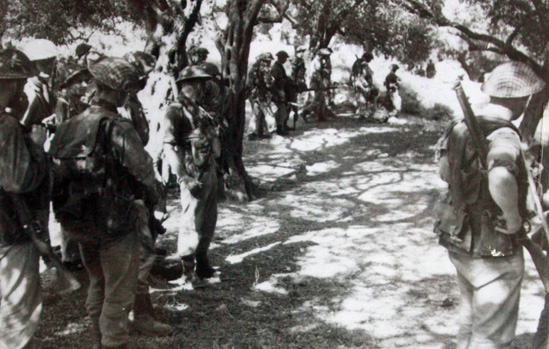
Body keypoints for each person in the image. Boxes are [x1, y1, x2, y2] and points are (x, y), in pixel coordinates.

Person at [49, 57, 163, 349]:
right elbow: (144, 171)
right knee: (119, 290)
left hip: (79, 221)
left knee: (97, 283)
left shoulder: (68, 125)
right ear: (120, 92)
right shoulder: (117, 126)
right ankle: (114, 342)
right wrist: (153, 199)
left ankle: (98, 340)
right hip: (115, 221)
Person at [435, 61, 546, 349]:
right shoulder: (505, 135)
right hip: (493, 249)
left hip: (460, 238)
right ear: (522, 100)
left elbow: (444, 171)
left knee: (470, 322)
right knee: (492, 337)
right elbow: (499, 176)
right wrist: (512, 217)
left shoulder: (459, 127)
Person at [0, 48, 49, 349]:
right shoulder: (5, 127)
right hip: (10, 228)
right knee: (16, 316)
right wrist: (38, 148)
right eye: (18, 83)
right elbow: (18, 180)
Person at [161, 66, 220, 287]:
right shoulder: (175, 111)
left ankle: (202, 261)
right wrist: (183, 177)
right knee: (191, 221)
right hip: (191, 171)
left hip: (208, 170)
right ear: (184, 85)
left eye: (201, 83)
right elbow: (168, 147)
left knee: (208, 219)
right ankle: (187, 270)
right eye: (195, 83)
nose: (201, 87)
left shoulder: (200, 109)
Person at [20, 39, 59, 127]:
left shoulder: (43, 85)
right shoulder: (29, 91)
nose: (49, 66)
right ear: (32, 64)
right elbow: (21, 126)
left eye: (51, 61)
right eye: (44, 63)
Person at [302, 48, 336, 121]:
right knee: (317, 100)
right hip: (316, 82)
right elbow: (316, 74)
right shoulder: (316, 61)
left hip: (317, 81)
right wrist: (320, 83)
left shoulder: (318, 61)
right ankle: (306, 111)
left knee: (322, 101)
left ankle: (321, 116)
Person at [248, 53, 275, 140]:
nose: (269, 62)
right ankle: (272, 132)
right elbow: (268, 84)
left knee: (255, 115)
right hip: (262, 94)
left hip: (253, 95)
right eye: (268, 61)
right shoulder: (265, 70)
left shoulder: (253, 68)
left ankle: (252, 133)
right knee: (269, 114)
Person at [351, 52, 378, 120]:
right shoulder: (363, 65)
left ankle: (362, 114)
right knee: (363, 99)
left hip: (358, 83)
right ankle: (363, 114)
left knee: (361, 99)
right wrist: (366, 84)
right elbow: (363, 75)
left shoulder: (358, 63)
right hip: (362, 83)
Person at [271, 50, 291, 135]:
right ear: (280, 58)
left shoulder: (279, 67)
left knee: (284, 109)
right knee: (280, 110)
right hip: (278, 91)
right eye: (285, 58)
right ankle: (279, 128)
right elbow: (275, 81)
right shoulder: (275, 68)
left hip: (281, 90)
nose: (286, 60)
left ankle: (282, 126)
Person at [288, 45, 307, 128]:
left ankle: (293, 122)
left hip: (297, 83)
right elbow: (293, 73)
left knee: (295, 103)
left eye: (303, 52)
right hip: (293, 84)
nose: (302, 53)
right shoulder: (296, 61)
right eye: (301, 52)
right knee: (292, 103)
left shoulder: (300, 60)